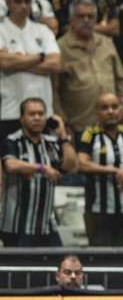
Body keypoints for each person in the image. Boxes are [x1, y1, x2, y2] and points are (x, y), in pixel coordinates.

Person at [0, 99, 77, 247]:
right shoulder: (12, 141)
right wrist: (42, 168)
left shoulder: (52, 142)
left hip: (46, 225)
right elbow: (11, 165)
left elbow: (71, 167)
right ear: (22, 118)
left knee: (61, 260)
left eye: (41, 114)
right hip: (17, 226)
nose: (37, 118)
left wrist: (63, 137)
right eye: (32, 114)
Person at [54, 0, 123, 133]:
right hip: (78, 126)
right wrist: (63, 122)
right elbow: (54, 90)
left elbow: (121, 80)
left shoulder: (107, 43)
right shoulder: (59, 48)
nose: (86, 21)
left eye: (90, 16)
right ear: (71, 20)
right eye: (81, 16)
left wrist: (122, 109)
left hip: (110, 124)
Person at [77, 92, 123, 247]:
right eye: (104, 108)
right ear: (97, 113)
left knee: (120, 251)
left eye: (114, 107)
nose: (110, 111)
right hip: (97, 209)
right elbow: (82, 163)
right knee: (99, 253)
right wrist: (114, 171)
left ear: (121, 110)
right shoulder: (90, 134)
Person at [0, 0, 60, 138]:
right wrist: (39, 57)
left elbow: (55, 64)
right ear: (7, 3)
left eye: (27, 2)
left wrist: (17, 61)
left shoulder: (43, 30)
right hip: (9, 110)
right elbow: (3, 62)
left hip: (42, 112)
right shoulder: (1, 29)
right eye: (18, 1)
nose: (23, 6)